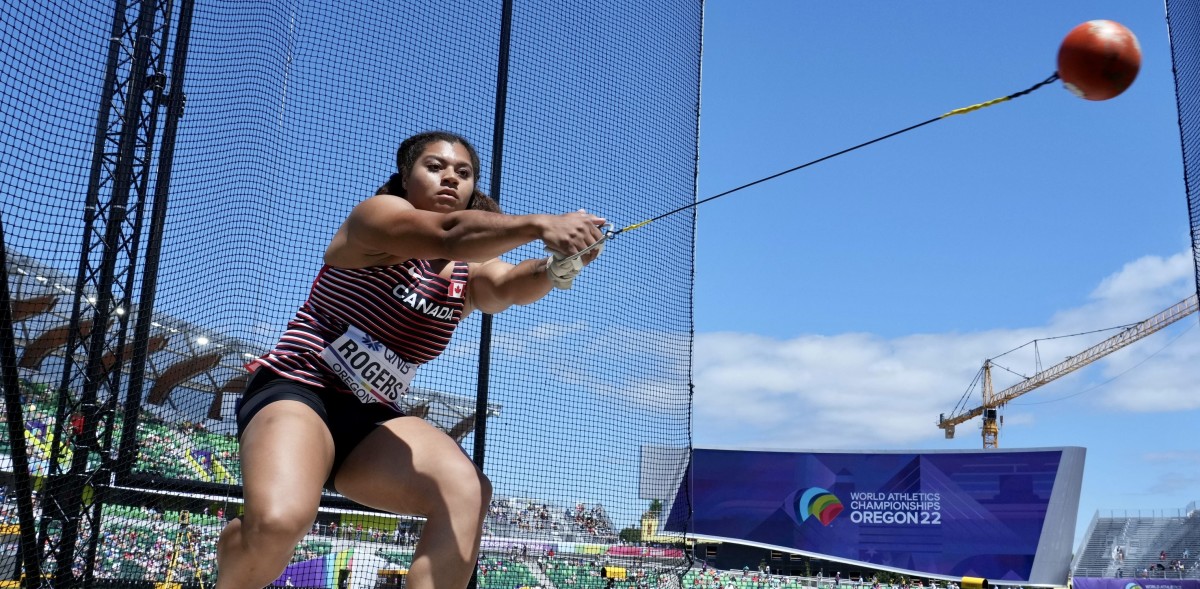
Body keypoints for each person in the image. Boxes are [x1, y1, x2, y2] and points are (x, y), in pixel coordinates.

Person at [213, 130, 606, 589]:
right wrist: (542, 225)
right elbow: (447, 234)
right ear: (406, 176)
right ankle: (241, 548)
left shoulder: (466, 274)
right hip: (301, 389)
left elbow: (507, 286)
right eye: (435, 167)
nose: (449, 178)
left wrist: (559, 265)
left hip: (373, 419)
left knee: (467, 490)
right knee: (279, 525)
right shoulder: (376, 218)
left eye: (463, 173)